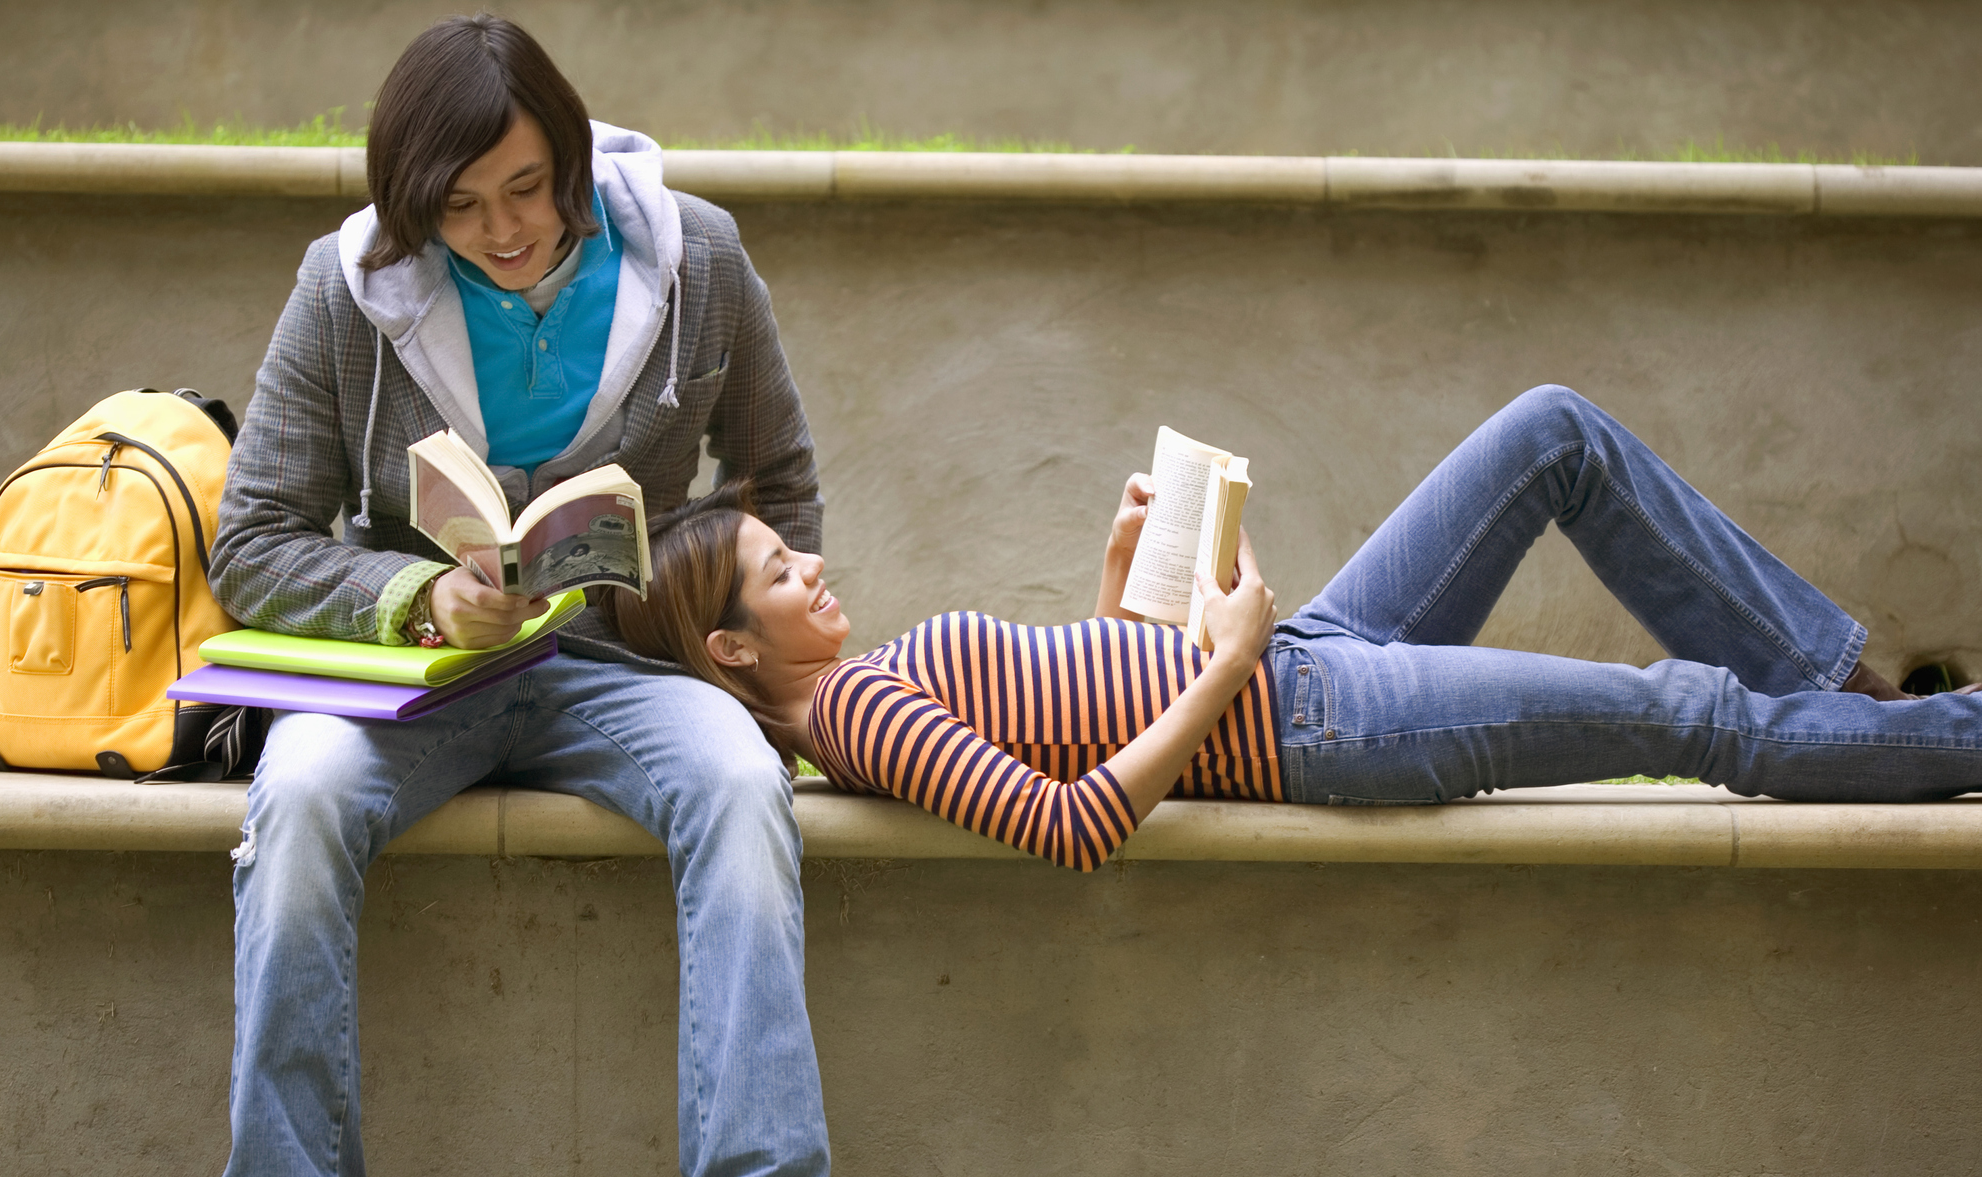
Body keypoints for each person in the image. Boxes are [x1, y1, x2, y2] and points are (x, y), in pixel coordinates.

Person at [193, 17, 846, 1177]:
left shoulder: (700, 260)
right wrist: (419, 602)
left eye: (526, 188)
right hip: (414, 681)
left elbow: (777, 477)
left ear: (570, 150)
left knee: (740, 791)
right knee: (298, 805)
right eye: (458, 206)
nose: (498, 228)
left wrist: (738, 636)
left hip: (624, 671)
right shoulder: (344, 285)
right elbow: (250, 542)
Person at [610, 385, 1982, 870]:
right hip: (1318, 722)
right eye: (781, 576)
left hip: (1299, 659)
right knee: (1687, 717)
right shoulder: (848, 718)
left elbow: (1080, 705)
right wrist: (1222, 658)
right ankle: (1936, 735)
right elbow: (1075, 824)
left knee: (1552, 436)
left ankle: (1843, 694)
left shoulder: (860, 686)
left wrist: (1129, 578)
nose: (814, 571)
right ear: (730, 649)